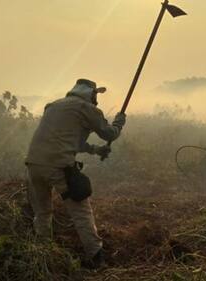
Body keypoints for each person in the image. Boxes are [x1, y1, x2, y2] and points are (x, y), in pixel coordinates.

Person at [25, 79, 126, 269]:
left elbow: (73, 141)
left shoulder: (53, 106)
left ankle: (41, 254)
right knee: (81, 212)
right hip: (59, 166)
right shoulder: (86, 108)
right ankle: (96, 258)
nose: (96, 99)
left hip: (33, 164)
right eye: (96, 95)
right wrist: (119, 122)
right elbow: (109, 133)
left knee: (42, 212)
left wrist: (96, 150)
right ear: (90, 94)